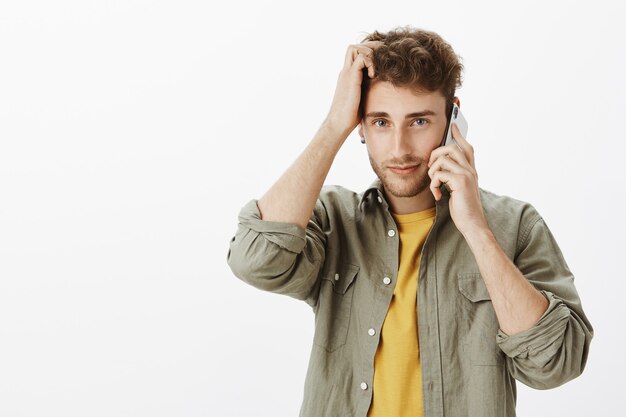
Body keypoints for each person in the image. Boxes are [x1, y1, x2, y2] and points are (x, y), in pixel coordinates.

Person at [226, 25, 593, 417]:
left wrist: (476, 228)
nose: (399, 149)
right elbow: (254, 260)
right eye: (381, 122)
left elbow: (555, 363)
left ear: (453, 116)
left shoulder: (515, 224)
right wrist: (335, 123)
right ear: (361, 126)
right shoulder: (333, 220)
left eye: (418, 121)